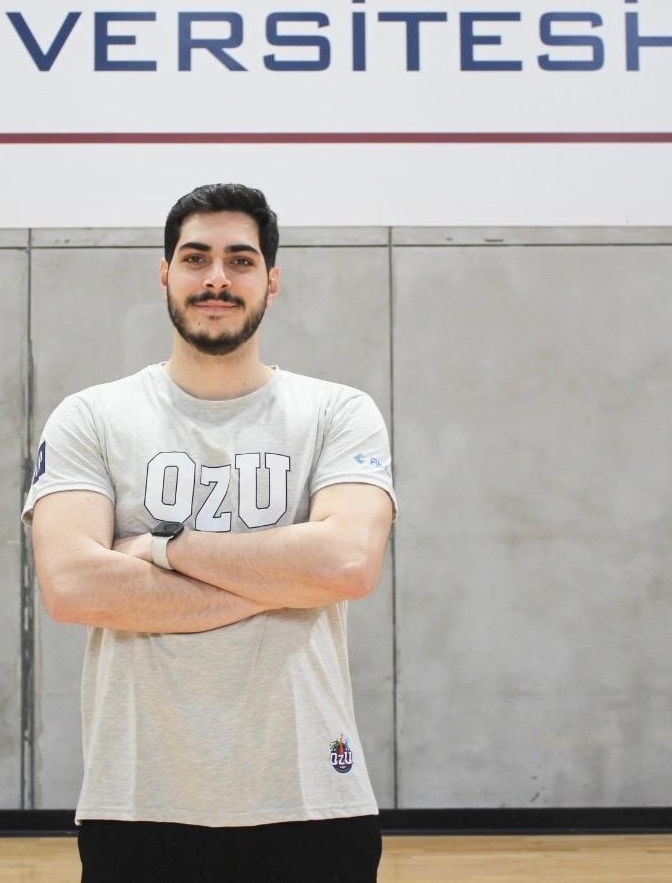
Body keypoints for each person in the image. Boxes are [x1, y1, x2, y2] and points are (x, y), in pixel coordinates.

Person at [24, 183, 396, 883]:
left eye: (240, 260)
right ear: (164, 273)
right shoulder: (91, 416)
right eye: (196, 258)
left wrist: (162, 549)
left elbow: (347, 563)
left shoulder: (337, 412)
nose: (217, 278)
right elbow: (72, 586)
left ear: (271, 280)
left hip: (312, 797)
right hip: (139, 803)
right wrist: (286, 579)